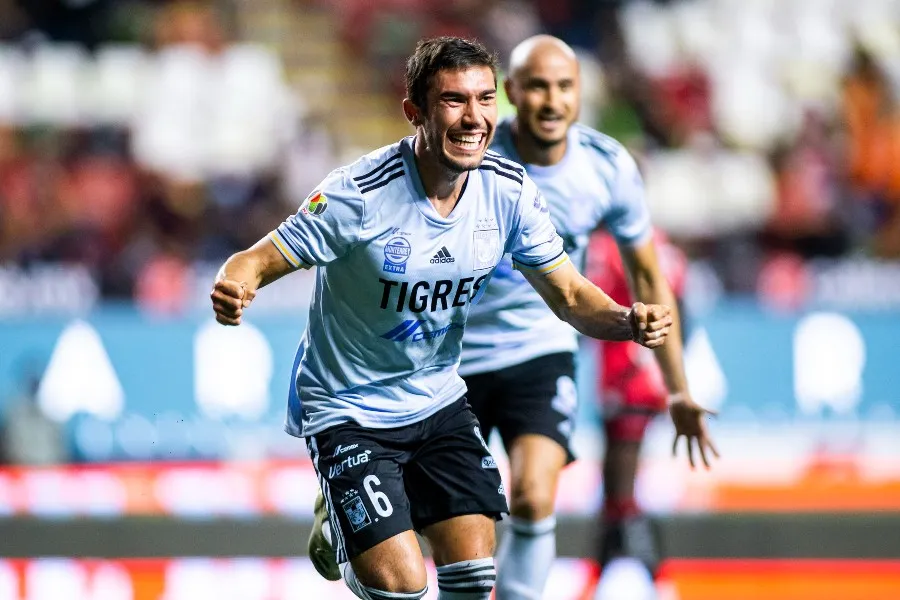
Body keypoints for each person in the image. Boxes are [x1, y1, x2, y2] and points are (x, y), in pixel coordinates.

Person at [210, 37, 675, 600]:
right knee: (405, 585)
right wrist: (236, 285)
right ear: (416, 112)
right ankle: (346, 526)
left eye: (485, 100)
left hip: (439, 401)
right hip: (349, 409)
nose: (474, 118)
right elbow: (255, 259)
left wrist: (627, 321)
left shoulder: (508, 191)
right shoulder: (357, 195)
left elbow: (571, 296)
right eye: (454, 101)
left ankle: (353, 518)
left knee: (475, 577)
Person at [458, 35, 717, 599]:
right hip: (453, 359)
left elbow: (650, 281)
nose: (552, 101)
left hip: (541, 347)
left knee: (532, 495)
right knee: (463, 527)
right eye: (537, 87)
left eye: (564, 87)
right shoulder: (465, 159)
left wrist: (676, 389)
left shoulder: (606, 168)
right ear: (511, 94)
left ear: (579, 93)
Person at [585, 228, 688, 592]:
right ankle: (610, 571)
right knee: (616, 488)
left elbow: (582, 303)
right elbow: (681, 311)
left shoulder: (608, 247)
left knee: (619, 491)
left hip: (624, 378)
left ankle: (653, 574)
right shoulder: (662, 245)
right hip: (647, 378)